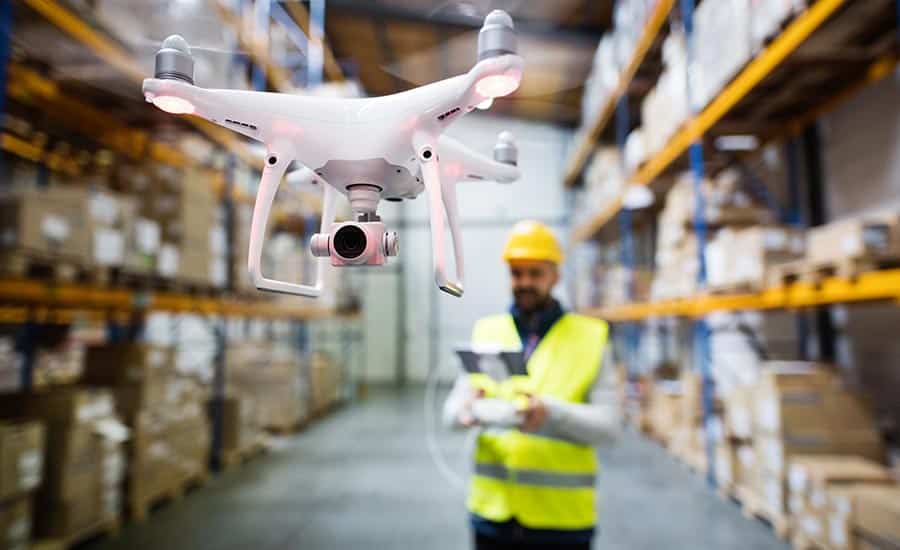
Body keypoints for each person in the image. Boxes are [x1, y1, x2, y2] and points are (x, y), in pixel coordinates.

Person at [444, 220, 620, 550]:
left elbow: (610, 429)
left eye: (535, 273)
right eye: (517, 273)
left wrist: (551, 412)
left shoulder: (591, 336)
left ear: (555, 275)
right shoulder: (487, 331)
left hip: (561, 522)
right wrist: (465, 410)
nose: (524, 282)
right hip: (492, 517)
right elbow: (450, 413)